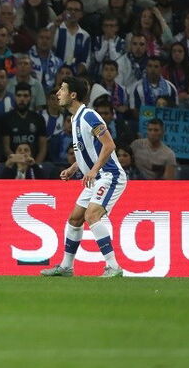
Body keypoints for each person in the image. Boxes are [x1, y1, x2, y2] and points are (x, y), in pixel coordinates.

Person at [41, 76, 127, 278]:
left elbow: (109, 145)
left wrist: (94, 170)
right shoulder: (74, 118)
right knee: (75, 219)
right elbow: (86, 150)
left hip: (110, 175)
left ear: (73, 95)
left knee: (92, 215)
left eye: (62, 89)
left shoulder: (89, 116)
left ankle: (114, 266)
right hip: (95, 177)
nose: (58, 93)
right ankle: (66, 267)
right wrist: (73, 168)